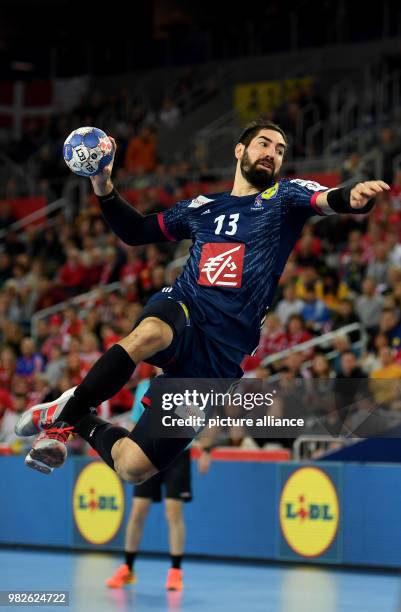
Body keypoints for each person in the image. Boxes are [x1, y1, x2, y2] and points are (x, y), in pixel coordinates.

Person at [16, 118, 389, 483]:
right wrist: (102, 183)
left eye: (280, 150)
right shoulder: (201, 207)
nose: (272, 154)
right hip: (186, 308)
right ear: (240, 150)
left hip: (220, 355)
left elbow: (328, 197)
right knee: (150, 334)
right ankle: (64, 420)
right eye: (264, 144)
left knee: (133, 468)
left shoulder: (284, 198)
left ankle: (71, 412)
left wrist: (353, 198)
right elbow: (134, 231)